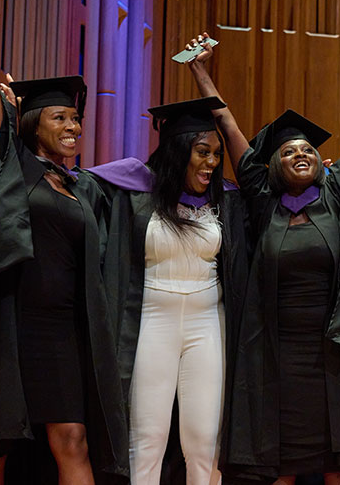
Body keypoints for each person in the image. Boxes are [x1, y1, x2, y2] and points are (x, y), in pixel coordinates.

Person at [184, 31, 340, 484]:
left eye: (307, 149)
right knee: (280, 469)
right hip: (275, 360)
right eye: (288, 151)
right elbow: (228, 127)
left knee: (338, 470)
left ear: (321, 162)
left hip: (337, 354)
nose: (300, 153)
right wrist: (199, 70)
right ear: (274, 166)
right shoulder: (264, 204)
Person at [0, 0, 127, 483]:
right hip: (6, 320)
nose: (73, 127)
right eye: (60, 119)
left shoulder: (81, 188)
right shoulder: (13, 166)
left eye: (76, 120)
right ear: (31, 124)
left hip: (63, 332)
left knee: (71, 439)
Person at [86, 96, 250, 484]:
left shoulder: (224, 202)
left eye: (215, 154)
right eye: (202, 152)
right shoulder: (134, 190)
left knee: (204, 440)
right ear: (178, 151)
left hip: (208, 324)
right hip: (153, 323)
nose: (212, 162)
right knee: (147, 439)